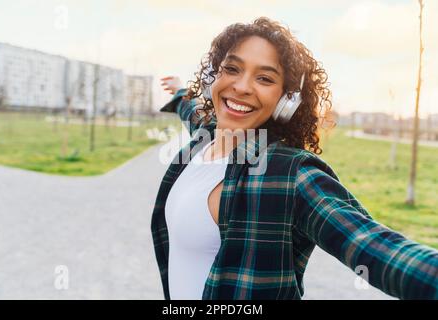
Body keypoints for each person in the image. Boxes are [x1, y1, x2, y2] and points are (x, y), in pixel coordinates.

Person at [151, 17, 438, 300]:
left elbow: (373, 246)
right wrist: (179, 93)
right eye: (232, 69)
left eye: (264, 78)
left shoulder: (290, 174)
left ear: (287, 101)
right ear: (213, 78)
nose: (241, 86)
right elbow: (192, 111)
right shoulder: (206, 136)